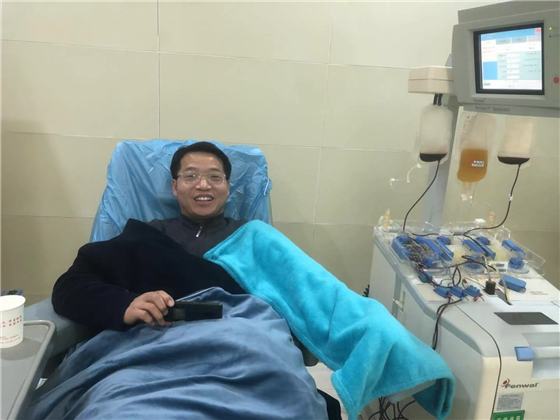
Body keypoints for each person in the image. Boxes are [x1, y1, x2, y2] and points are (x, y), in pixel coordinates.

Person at [52, 142, 247, 330]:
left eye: (215, 177)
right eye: (191, 176)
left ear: (227, 186)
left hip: (239, 336)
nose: (203, 185)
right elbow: (70, 286)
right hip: (154, 341)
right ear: (175, 186)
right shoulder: (146, 237)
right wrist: (125, 304)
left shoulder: (251, 236)